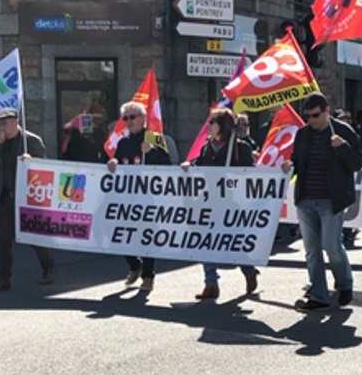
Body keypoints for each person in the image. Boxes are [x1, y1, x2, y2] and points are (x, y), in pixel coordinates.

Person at [280, 92, 362, 311]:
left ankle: (345, 283)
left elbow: (357, 163)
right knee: (311, 249)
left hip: (331, 199)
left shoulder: (343, 131)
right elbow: (298, 161)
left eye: (315, 115)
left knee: (331, 244)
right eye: (307, 116)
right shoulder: (303, 134)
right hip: (306, 198)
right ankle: (319, 295)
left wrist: (343, 147)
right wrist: (290, 165)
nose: (311, 120)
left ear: (327, 111)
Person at [182, 108, 259, 299]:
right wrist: (188, 166)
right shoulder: (207, 147)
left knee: (234, 242)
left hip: (229, 203)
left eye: (212, 123)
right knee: (205, 241)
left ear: (222, 126)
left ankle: (249, 271)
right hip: (207, 202)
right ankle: (211, 283)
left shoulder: (240, 148)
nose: (208, 126)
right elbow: (198, 164)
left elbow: (249, 175)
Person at [0, 108, 57, 292]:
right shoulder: (0, 142)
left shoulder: (30, 140)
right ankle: (3, 278)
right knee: (3, 240)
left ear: (15, 122)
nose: (2, 128)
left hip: (28, 198)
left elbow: (46, 167)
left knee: (34, 236)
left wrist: (32, 160)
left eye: (4, 123)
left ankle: (49, 268)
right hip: (6, 197)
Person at [108, 100, 172, 291]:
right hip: (126, 198)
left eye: (132, 117)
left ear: (143, 118)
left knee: (146, 237)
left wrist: (151, 152)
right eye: (125, 118)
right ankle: (135, 266)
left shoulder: (154, 138)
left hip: (148, 197)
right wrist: (112, 162)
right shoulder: (123, 142)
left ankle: (148, 276)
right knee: (120, 235)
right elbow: (117, 162)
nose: (128, 121)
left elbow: (167, 166)